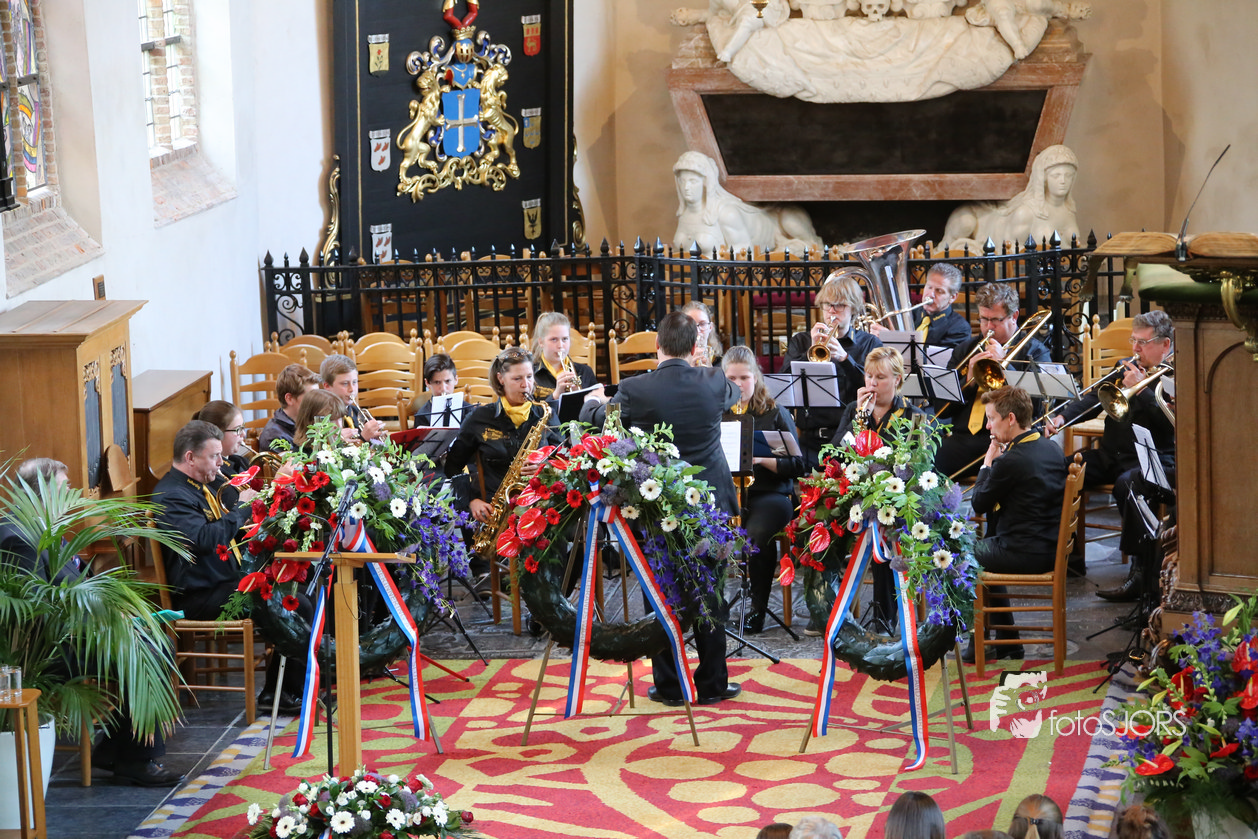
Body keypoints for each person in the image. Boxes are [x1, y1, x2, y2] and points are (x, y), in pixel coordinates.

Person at [581, 311, 741, 705]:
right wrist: (702, 366)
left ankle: (669, 685)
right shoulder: (714, 379)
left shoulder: (635, 388)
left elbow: (601, 421)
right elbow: (736, 397)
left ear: (657, 346)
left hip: (657, 504)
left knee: (662, 591)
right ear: (694, 346)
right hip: (709, 501)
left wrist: (592, 401)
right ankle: (713, 684)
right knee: (711, 590)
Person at [0, 458, 185, 786]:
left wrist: (117, 614)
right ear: (42, 492)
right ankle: (136, 758)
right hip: (48, 651)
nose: (72, 494)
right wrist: (103, 625)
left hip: (77, 636)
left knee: (155, 641)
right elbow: (36, 611)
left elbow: (80, 585)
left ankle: (117, 749)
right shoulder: (19, 536)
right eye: (65, 488)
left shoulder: (43, 526)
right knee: (147, 650)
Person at [1046, 310, 1174, 595]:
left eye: (1143, 342)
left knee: (1128, 485)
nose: (1135, 348)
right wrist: (1061, 418)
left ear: (1165, 344)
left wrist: (1141, 391)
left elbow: (1173, 425)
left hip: (1150, 460)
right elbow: (1094, 399)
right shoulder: (1125, 367)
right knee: (1057, 471)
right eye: (1133, 340)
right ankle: (1069, 558)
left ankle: (1140, 574)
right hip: (1110, 455)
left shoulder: (1174, 376)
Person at [964, 387, 1067, 663]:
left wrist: (988, 462)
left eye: (991, 419)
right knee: (986, 547)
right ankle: (1006, 640)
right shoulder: (1051, 448)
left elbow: (979, 503)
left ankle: (980, 640)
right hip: (1052, 548)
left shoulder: (1011, 460)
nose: (988, 426)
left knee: (964, 554)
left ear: (1010, 419)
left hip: (1026, 552)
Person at [829, 347, 926, 633]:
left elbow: (917, 465)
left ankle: (885, 617)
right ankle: (830, 609)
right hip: (856, 493)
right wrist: (860, 419)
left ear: (897, 379)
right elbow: (835, 453)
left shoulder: (913, 415)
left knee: (884, 530)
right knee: (823, 526)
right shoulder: (854, 409)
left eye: (880, 378)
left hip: (894, 497)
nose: (872, 383)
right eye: (869, 376)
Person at [721, 345, 805, 634]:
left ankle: (757, 609)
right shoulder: (716, 413)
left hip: (771, 493)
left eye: (744, 378)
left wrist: (760, 459)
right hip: (729, 493)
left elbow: (798, 464)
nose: (738, 385)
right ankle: (711, 606)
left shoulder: (774, 412)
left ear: (755, 378)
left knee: (756, 533)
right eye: (731, 379)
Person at [444, 346, 561, 544]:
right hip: (495, 510)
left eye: (529, 377)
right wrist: (471, 500)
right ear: (501, 379)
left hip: (540, 503)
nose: (526, 385)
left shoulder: (545, 413)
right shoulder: (479, 418)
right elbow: (452, 466)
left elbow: (563, 457)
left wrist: (546, 467)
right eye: (517, 379)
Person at [934, 282, 1050, 481]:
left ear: (1014, 316)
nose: (988, 327)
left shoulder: (1035, 352)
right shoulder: (965, 350)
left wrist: (1004, 368)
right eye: (984, 319)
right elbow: (941, 409)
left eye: (995, 320)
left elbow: (1036, 407)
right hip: (965, 439)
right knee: (925, 462)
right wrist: (968, 380)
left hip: (1011, 440)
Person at [782, 268, 884, 470]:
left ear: (854, 308)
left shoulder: (870, 343)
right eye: (828, 304)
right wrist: (810, 352)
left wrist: (846, 359)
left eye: (840, 305)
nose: (832, 311)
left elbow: (876, 390)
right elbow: (784, 385)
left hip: (852, 439)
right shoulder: (801, 341)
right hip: (809, 439)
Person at [671, 149, 820, 255]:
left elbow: (743, 253)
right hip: (696, 280)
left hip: (719, 280)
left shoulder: (726, 213)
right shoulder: (684, 215)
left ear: (706, 182)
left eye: (693, 181)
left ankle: (807, 245)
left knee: (789, 219)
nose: (686, 187)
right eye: (682, 181)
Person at [941, 145, 1080, 252]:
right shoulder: (1026, 212)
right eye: (1056, 175)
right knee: (966, 222)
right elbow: (1010, 249)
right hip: (1029, 274)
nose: (1063, 181)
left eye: (1068, 175)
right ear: (1043, 179)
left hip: (1056, 274)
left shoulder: (1068, 211)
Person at [871, 263, 971, 350]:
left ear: (952, 297)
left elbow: (938, 362)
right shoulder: (909, 314)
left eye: (939, 291)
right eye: (929, 287)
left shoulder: (960, 329)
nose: (931, 294)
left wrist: (892, 341)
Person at [193, 400, 251, 509]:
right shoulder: (213, 475)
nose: (243, 434)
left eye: (243, 427)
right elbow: (236, 508)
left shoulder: (239, 461)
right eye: (238, 429)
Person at [531, 312, 598, 401]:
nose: (560, 345)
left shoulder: (585, 372)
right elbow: (529, 409)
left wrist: (580, 395)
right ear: (541, 342)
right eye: (554, 339)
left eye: (565, 339)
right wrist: (555, 396)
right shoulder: (530, 374)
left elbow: (597, 406)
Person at [320, 354, 387, 442]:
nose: (352, 389)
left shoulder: (358, 413)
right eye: (345, 383)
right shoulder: (319, 417)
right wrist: (363, 438)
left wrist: (376, 440)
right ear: (327, 386)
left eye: (354, 382)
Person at [259, 364, 319, 452]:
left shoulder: (308, 423)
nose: (317, 402)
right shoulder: (274, 437)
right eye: (311, 397)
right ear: (289, 399)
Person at [410, 353, 467, 427]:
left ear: (456, 380)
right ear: (427, 383)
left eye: (447, 381)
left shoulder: (468, 411)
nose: (443, 388)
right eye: (437, 382)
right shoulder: (422, 416)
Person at [682, 300, 723, 367]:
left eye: (702, 324)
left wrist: (711, 371)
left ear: (710, 327)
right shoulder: (674, 363)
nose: (697, 331)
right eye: (691, 325)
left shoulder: (721, 364)